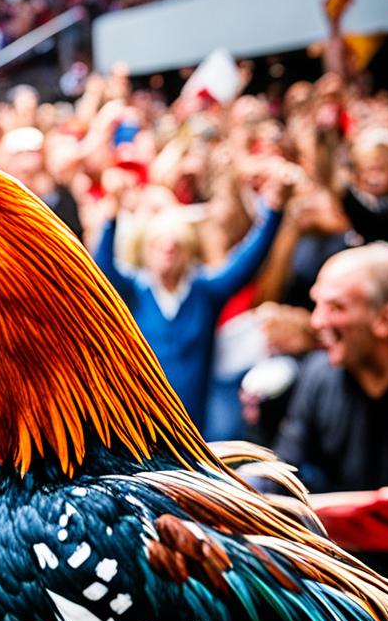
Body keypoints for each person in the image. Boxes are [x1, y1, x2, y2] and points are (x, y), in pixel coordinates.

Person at [93, 168, 285, 432]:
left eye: (176, 246)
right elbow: (102, 268)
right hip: (142, 425)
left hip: (194, 425)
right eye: (158, 245)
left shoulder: (203, 292)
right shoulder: (135, 292)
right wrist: (111, 213)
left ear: (188, 251)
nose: (167, 252)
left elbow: (246, 262)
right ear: (145, 250)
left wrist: (273, 212)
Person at [275, 243, 388, 491]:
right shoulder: (318, 377)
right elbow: (282, 472)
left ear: (385, 319)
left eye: (335, 307)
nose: (317, 321)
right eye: (317, 305)